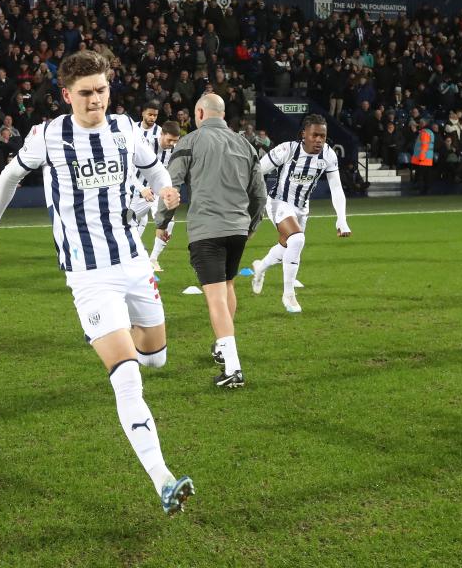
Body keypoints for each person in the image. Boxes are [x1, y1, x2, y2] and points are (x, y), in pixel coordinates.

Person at [0, 49, 194, 515]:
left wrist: (164, 193)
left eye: (102, 90)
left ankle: (106, 332)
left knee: (155, 359)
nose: (96, 100)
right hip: (89, 275)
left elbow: (153, 167)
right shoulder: (49, 135)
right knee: (129, 376)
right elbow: (12, 175)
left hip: (134, 264)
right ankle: (164, 479)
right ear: (66, 95)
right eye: (86, 93)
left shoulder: (126, 128)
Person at [156, 94, 267, 388]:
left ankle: (233, 368)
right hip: (238, 230)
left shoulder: (190, 142)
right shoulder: (245, 144)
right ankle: (222, 346)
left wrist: (162, 223)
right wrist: (250, 226)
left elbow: (171, 186)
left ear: (201, 113)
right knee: (228, 284)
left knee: (215, 294)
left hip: (208, 230)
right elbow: (260, 195)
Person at [249, 114, 351, 314]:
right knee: (297, 240)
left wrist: (342, 219)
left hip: (302, 209)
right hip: (278, 202)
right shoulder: (288, 149)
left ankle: (260, 267)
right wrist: (252, 201)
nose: (319, 140)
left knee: (286, 247)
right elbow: (258, 171)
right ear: (304, 134)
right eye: (315, 135)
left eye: (323, 136)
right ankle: (288, 295)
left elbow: (337, 188)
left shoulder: (328, 155)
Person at [127, 120, 180, 270]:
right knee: (127, 226)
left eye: (175, 141)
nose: (172, 144)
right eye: (170, 139)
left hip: (158, 193)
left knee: (168, 221)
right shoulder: (145, 145)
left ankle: (153, 259)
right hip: (139, 192)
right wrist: (141, 188)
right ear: (161, 134)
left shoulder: (174, 151)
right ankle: (128, 258)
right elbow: (129, 170)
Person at [411, 116, 435, 195]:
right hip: (428, 158)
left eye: (421, 123)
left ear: (424, 123)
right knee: (427, 175)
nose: (419, 124)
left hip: (423, 159)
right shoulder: (429, 132)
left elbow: (424, 146)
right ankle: (427, 189)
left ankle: (422, 190)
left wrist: (421, 158)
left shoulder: (424, 133)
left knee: (422, 175)